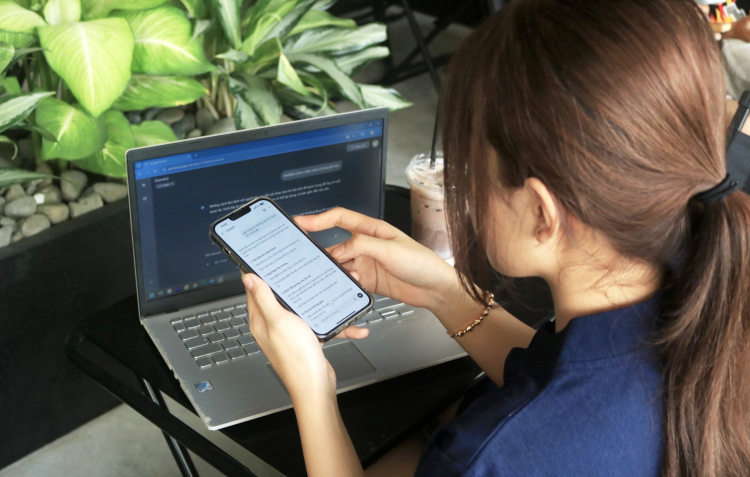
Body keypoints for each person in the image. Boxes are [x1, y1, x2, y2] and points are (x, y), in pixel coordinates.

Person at [241, 0, 750, 475]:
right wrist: (445, 292)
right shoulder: (706, 274)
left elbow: (551, 417)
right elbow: (572, 380)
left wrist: (312, 389)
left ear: (540, 212)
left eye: (470, 171)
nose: (464, 192)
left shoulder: (488, 457)